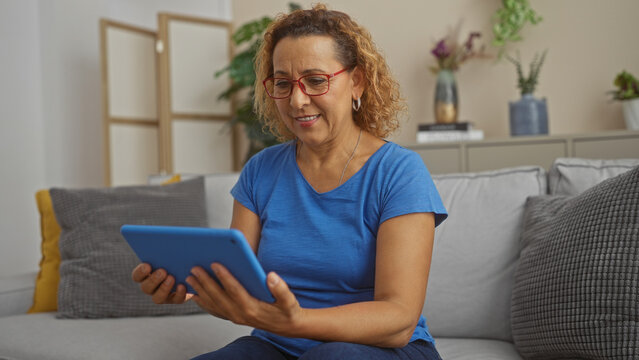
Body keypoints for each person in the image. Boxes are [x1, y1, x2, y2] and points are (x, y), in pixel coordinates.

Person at [132, 4, 447, 359]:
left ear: (356, 81)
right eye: (283, 83)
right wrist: (193, 289)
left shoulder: (400, 172)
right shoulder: (260, 171)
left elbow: (399, 319)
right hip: (278, 345)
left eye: (316, 80)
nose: (297, 100)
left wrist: (297, 321)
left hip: (384, 350)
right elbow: (239, 290)